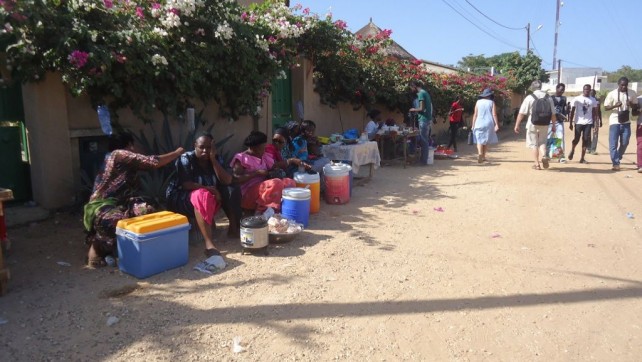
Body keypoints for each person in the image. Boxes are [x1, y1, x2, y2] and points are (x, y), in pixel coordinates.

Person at [83, 132, 183, 267]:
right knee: (113, 220)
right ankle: (96, 248)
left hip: (123, 202)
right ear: (129, 145)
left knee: (147, 211)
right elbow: (151, 163)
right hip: (104, 205)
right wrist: (177, 153)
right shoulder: (119, 154)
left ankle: (137, 248)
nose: (134, 149)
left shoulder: (117, 158)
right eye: (133, 146)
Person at [166, 134, 239, 257]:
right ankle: (209, 244)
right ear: (195, 146)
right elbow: (186, 185)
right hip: (181, 197)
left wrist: (213, 160)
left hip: (207, 196)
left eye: (209, 147)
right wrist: (212, 191)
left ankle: (233, 227)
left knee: (231, 189)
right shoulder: (186, 158)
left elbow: (227, 180)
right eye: (201, 147)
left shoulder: (215, 158)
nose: (205, 151)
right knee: (201, 195)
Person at [231, 131, 295, 214]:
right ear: (254, 147)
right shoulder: (241, 158)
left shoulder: (263, 156)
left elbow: (275, 165)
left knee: (289, 182)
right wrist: (256, 173)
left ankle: (285, 210)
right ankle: (261, 213)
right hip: (247, 195)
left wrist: (291, 161)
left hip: (264, 191)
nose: (265, 149)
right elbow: (235, 179)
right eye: (263, 148)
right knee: (276, 183)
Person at [514, 80, 555, 170]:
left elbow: (522, 113)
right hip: (545, 123)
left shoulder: (529, 97)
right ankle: (544, 155)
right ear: (541, 87)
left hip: (532, 123)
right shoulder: (548, 97)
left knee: (534, 144)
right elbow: (553, 114)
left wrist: (517, 124)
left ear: (532, 87)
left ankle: (537, 164)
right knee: (542, 142)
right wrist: (554, 126)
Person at [603, 77, 639, 171]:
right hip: (615, 120)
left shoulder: (632, 93)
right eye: (622, 85)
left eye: (626, 85)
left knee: (625, 142)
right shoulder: (612, 93)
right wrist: (615, 105)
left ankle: (618, 156)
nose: (624, 87)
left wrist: (630, 104)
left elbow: (636, 107)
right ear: (618, 84)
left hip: (626, 120)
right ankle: (615, 163)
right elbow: (606, 107)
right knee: (613, 143)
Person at [568, 84, 598, 164]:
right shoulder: (577, 99)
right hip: (578, 122)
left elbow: (595, 113)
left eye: (588, 90)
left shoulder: (593, 100)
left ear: (590, 90)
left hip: (588, 123)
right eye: (585, 89)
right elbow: (572, 111)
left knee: (585, 140)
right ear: (583, 90)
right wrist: (570, 123)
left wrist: (595, 124)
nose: (587, 91)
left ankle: (582, 158)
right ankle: (573, 149)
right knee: (576, 139)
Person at [471, 88, 499, 163]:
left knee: (479, 140)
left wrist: (473, 125)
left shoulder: (478, 102)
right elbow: (494, 114)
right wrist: (496, 124)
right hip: (488, 123)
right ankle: (483, 156)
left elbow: (475, 114)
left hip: (478, 123)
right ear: (490, 95)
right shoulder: (492, 102)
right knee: (486, 140)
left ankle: (480, 153)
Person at [409, 80, 433, 165]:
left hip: (423, 119)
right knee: (425, 140)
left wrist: (413, 109)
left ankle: (423, 161)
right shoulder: (425, 92)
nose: (411, 90)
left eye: (411, 88)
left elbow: (421, 108)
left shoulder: (421, 94)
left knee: (423, 141)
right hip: (427, 118)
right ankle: (423, 160)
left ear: (415, 86)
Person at [548, 83, 570, 163]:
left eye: (563, 90)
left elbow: (564, 109)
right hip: (550, 121)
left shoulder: (564, 98)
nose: (562, 91)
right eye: (561, 89)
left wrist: (564, 116)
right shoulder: (550, 98)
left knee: (559, 138)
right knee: (549, 138)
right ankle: (548, 155)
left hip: (559, 122)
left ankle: (560, 157)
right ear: (556, 88)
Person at [588, 89, 603, 155]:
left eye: (593, 93)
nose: (592, 94)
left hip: (595, 119)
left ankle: (593, 149)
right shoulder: (587, 100)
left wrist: (600, 120)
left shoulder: (597, 101)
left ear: (595, 93)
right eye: (591, 93)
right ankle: (589, 148)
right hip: (588, 119)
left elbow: (599, 111)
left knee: (595, 134)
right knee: (587, 134)